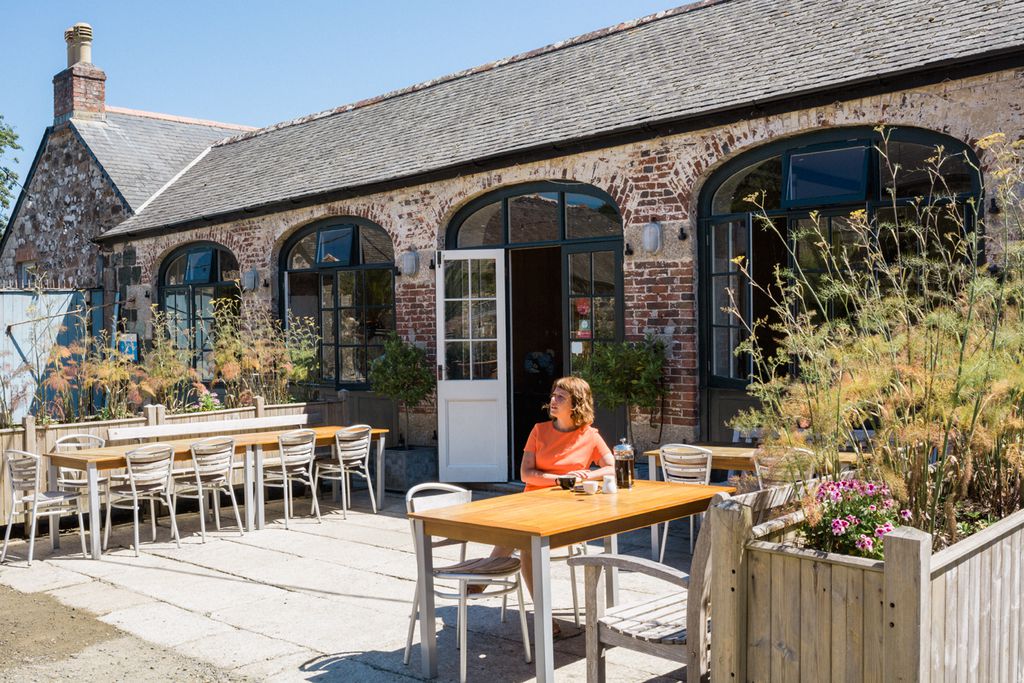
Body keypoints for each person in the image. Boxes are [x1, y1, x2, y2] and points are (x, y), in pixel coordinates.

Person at [481, 376, 615, 635]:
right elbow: (526, 475)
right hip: (532, 504)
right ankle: (544, 616)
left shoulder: (590, 436)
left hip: (566, 512)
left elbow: (612, 466)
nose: (552, 401)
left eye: (560, 397)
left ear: (576, 403)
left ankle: (487, 572)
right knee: (525, 536)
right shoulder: (539, 431)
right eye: (553, 395)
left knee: (524, 538)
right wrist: (560, 479)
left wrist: (586, 474)